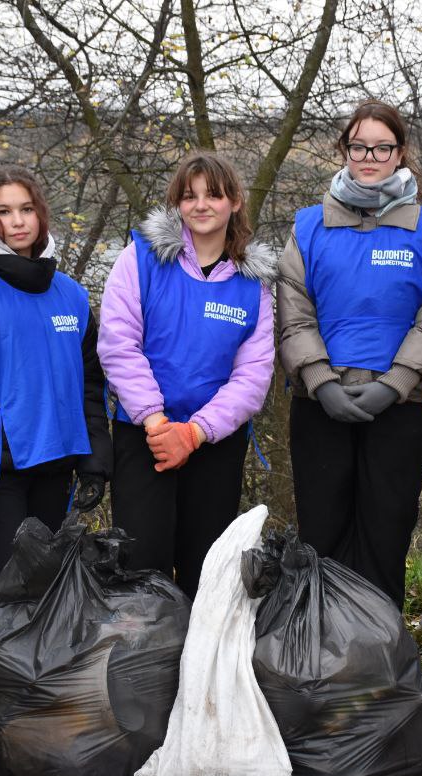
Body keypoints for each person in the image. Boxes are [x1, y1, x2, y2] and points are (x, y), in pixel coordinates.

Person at [277, 100, 422, 608]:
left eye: (382, 147)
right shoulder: (309, 227)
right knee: (323, 535)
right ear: (345, 149)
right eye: (359, 146)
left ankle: (381, 660)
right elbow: (293, 311)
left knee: (386, 534)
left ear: (400, 152)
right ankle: (321, 652)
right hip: (321, 408)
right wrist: (321, 381)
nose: (370, 157)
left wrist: (395, 384)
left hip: (398, 411)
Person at [98, 151, 276, 599]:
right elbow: (118, 344)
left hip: (214, 444)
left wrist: (194, 434)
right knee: (141, 567)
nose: (201, 205)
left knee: (208, 572)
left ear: (234, 202)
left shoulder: (254, 285)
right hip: (146, 439)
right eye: (189, 196)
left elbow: (253, 377)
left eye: (213, 195)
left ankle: (198, 669)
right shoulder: (140, 259)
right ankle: (145, 666)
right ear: (177, 203)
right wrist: (159, 424)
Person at [0, 167, 111, 605]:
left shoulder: (69, 294)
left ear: (41, 214)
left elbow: (89, 385)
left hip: (57, 466)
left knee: (49, 593)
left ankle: (44, 676)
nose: (17, 221)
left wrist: (95, 462)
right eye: (4, 211)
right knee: (2, 594)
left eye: (26, 209)